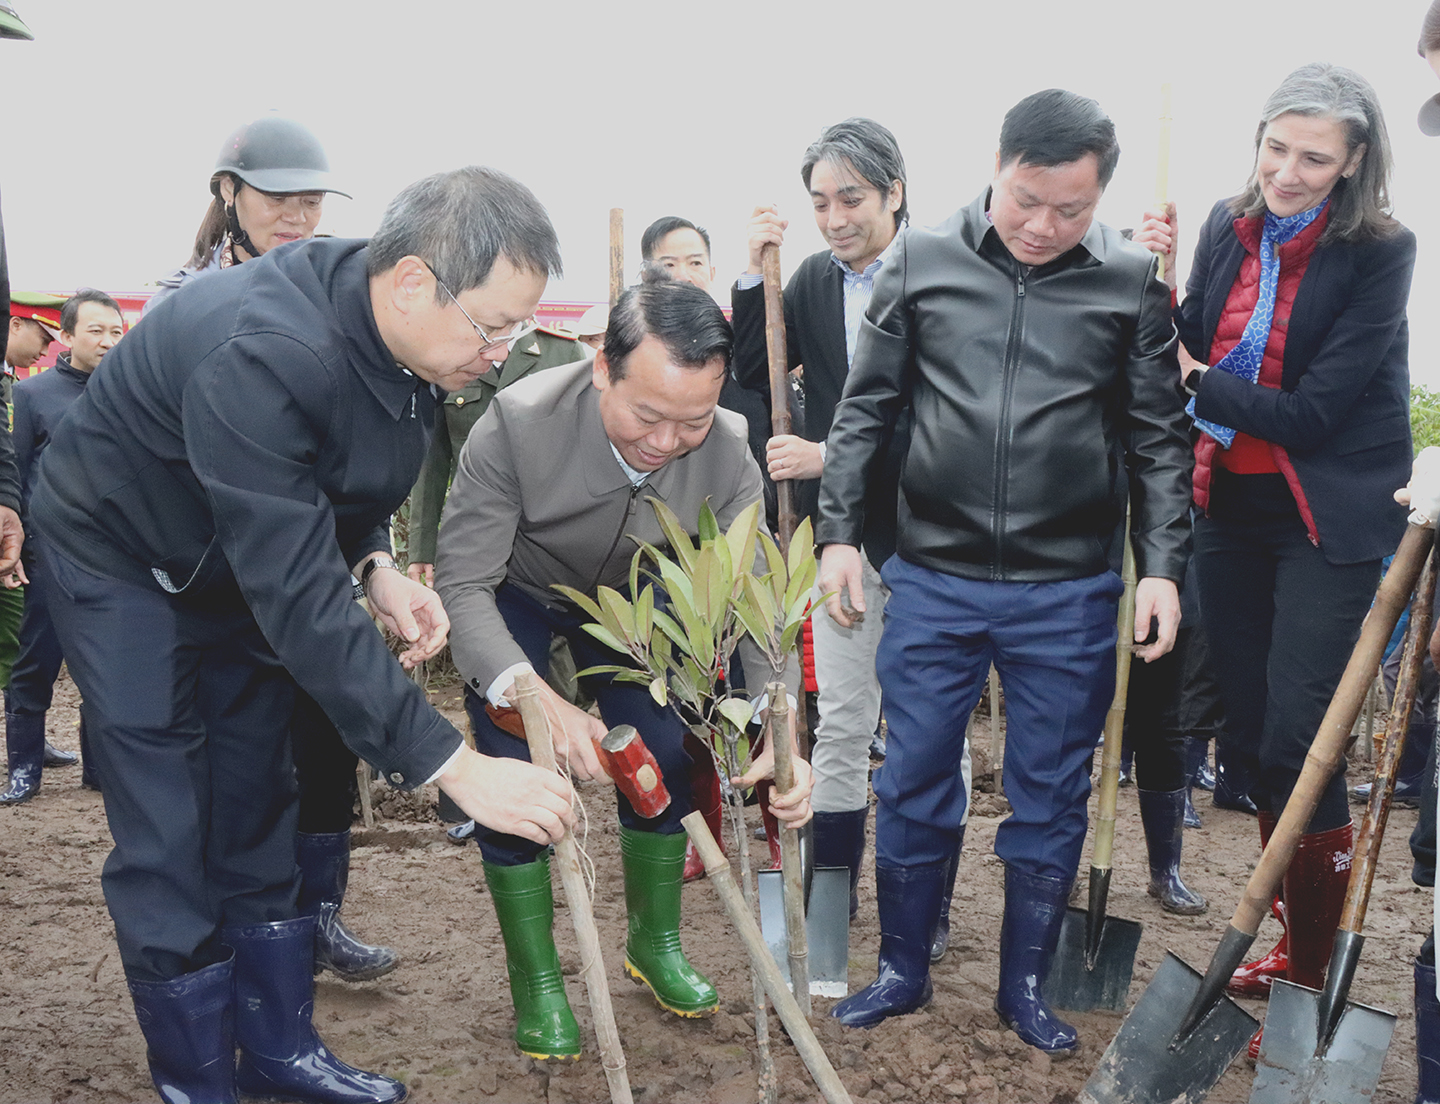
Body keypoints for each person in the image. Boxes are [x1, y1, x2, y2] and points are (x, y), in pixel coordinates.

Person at [28, 166, 588, 1104]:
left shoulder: (406, 345)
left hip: (233, 560)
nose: (500, 352)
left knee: (256, 794)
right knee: (167, 819)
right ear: (414, 281)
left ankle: (280, 1053)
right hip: (121, 558)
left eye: (515, 330)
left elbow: (334, 485)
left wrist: (374, 567)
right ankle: (200, 1085)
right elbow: (293, 592)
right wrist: (451, 763)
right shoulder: (260, 346)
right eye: (492, 326)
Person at [816, 89, 1192, 1051]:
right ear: (999, 165)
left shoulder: (1128, 280)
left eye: (1070, 210)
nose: (1042, 226)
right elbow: (865, 409)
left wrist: (1161, 569)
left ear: (1098, 197)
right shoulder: (922, 259)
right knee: (913, 774)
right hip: (934, 577)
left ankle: (1023, 986)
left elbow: (1157, 441)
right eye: (1027, 199)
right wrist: (841, 536)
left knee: (1050, 788)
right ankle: (903, 969)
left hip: (1066, 590)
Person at [435, 278, 813, 1061]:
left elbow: (747, 596)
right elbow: (465, 584)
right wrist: (535, 696)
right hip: (522, 591)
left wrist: (781, 726)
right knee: (514, 775)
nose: (668, 442)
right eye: (648, 415)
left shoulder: (731, 447)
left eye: (692, 421)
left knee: (662, 749)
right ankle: (538, 982)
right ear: (603, 366)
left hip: (639, 607)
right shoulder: (517, 423)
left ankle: (654, 941)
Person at [1135, 62, 1414, 1061]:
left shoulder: (1382, 251)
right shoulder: (1227, 222)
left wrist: (1200, 376)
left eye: (1314, 157)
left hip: (1325, 517)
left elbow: (1316, 413)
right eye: (1276, 148)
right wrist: (1153, 280)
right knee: (1252, 742)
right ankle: (1290, 931)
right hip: (1233, 507)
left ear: (1353, 164)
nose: (1288, 172)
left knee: (1305, 736)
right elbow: (1182, 344)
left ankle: (1309, 978)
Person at [144, 117, 398, 984]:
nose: (297, 215)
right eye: (277, 197)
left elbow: (356, 455)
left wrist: (374, 558)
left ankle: (318, 920)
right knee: (236, 766)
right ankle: (243, 928)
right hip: (211, 571)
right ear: (227, 194)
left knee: (327, 740)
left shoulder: (340, 297)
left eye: (311, 199)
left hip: (312, 564)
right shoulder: (177, 300)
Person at [732, 119, 972, 951]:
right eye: (821, 202)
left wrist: (828, 451)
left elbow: (957, 423)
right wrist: (749, 274)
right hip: (843, 543)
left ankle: (928, 907)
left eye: (853, 199)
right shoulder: (806, 283)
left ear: (896, 193)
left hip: (939, 543)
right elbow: (751, 378)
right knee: (838, 722)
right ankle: (829, 904)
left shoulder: (949, 276)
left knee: (930, 729)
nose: (835, 218)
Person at [1, 289, 122, 805]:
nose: (107, 341)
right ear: (67, 338)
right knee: (35, 661)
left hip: (116, 560)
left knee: (105, 666)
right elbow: (16, 473)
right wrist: (22, 545)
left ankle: (99, 768)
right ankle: (24, 770)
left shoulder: (130, 395)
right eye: (95, 331)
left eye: (116, 331)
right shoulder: (32, 396)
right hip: (49, 557)